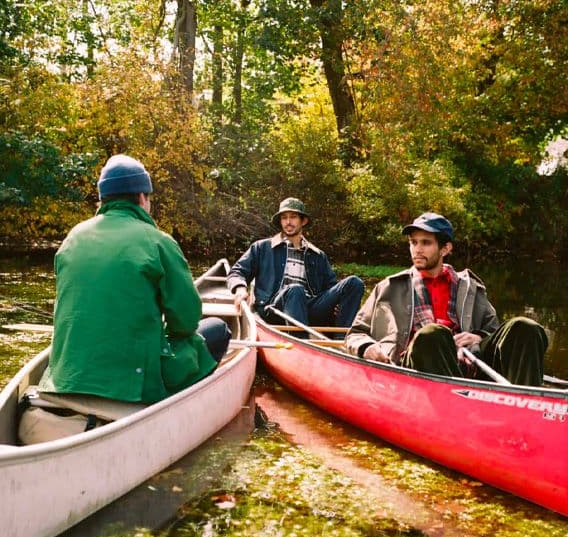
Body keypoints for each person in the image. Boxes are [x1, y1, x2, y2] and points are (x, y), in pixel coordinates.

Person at [38, 154, 230, 404]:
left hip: (67, 376)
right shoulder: (158, 241)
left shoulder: (73, 238)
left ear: (102, 200)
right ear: (142, 198)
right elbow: (186, 321)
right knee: (217, 329)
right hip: (134, 382)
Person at [344, 212, 548, 386]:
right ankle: (454, 405)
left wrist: (478, 337)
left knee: (525, 327)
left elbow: (493, 332)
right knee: (433, 334)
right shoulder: (390, 287)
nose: (417, 249)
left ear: (445, 249)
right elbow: (355, 334)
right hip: (416, 367)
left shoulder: (470, 287)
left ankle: (527, 403)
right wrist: (366, 347)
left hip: (470, 364)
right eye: (413, 242)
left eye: (426, 243)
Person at [227, 197, 364, 336]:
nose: (288, 222)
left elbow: (331, 287)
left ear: (303, 221)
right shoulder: (262, 248)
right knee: (295, 290)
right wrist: (240, 289)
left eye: (293, 217)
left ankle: (342, 340)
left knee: (354, 283)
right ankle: (302, 342)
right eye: (284, 218)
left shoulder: (317, 255)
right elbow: (237, 272)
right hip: (273, 309)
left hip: (310, 309)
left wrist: (338, 304)